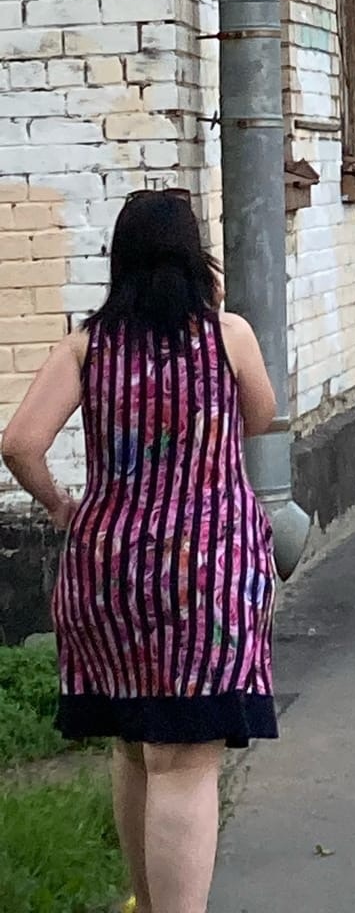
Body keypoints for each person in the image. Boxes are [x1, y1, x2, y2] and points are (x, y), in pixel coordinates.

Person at [0, 190, 280, 913]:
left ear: (119, 260)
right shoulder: (228, 336)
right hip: (209, 573)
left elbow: (20, 444)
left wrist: (62, 505)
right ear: (198, 256)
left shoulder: (86, 346)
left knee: (132, 745)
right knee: (184, 762)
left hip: (107, 570)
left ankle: (149, 902)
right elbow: (262, 417)